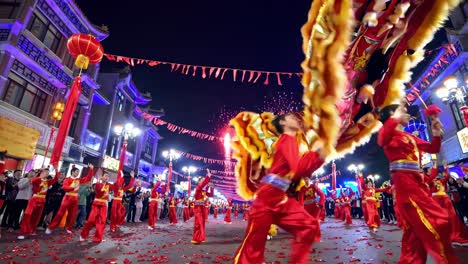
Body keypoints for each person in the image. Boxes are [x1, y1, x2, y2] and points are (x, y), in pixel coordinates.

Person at [233, 112, 324, 264]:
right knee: (254, 245)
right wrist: (316, 154)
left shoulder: (292, 142)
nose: (296, 118)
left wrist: (317, 156)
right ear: (283, 123)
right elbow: (298, 169)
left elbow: (299, 170)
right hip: (266, 198)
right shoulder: (286, 139)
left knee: (309, 226)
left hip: (280, 198)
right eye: (291, 117)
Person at [377, 103, 457, 263]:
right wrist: (396, 117)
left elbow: (433, 148)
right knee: (437, 221)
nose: (408, 114)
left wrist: (435, 134)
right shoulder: (387, 134)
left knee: (413, 238)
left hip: (420, 186)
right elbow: (381, 139)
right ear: (394, 115)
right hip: (408, 189)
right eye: (404, 111)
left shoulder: (410, 137)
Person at [46, 164, 94, 234]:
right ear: (72, 172)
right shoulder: (67, 179)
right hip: (67, 198)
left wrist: (91, 170)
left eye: (78, 172)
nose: (77, 173)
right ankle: (50, 227)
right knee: (60, 213)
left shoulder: (78, 180)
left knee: (72, 214)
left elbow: (88, 178)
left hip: (75, 199)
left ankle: (68, 227)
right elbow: (64, 187)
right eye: (76, 172)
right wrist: (73, 187)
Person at [429, 162, 468, 246]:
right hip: (437, 201)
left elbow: (447, 176)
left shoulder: (441, 181)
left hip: (445, 200)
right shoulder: (429, 182)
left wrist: (445, 167)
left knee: (453, 218)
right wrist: (435, 165)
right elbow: (432, 177)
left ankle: (452, 234)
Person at [18, 167, 59, 240]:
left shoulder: (48, 181)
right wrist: (39, 176)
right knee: (28, 215)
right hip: (34, 199)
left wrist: (56, 170)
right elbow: (33, 181)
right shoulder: (37, 179)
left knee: (37, 217)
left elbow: (56, 179)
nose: (46, 173)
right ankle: (22, 232)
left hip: (42, 200)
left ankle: (32, 230)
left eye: (47, 172)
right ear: (41, 173)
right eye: (45, 172)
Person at [80, 171, 115, 243]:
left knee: (102, 221)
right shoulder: (98, 184)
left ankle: (98, 237)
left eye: (108, 176)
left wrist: (122, 176)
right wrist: (106, 191)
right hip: (96, 204)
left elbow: (117, 186)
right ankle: (83, 235)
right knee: (91, 220)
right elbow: (99, 192)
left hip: (104, 205)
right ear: (102, 177)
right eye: (105, 176)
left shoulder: (108, 185)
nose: (107, 177)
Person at [191, 169, 213, 244]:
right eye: (202, 181)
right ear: (199, 182)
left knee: (202, 223)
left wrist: (212, 187)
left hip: (202, 207)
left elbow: (211, 195)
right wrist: (208, 176)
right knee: (198, 223)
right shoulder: (198, 188)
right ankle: (196, 238)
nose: (204, 182)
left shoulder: (203, 191)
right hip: (198, 207)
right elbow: (202, 184)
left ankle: (200, 237)